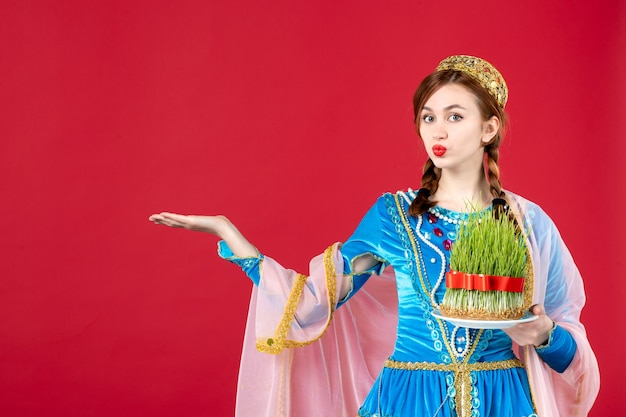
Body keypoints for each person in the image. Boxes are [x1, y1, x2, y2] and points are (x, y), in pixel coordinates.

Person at [149, 55, 600, 417]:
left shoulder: (529, 223)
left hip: (506, 400)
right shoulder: (393, 216)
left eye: (455, 116)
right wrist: (235, 240)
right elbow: (313, 305)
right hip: (409, 399)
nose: (437, 131)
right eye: (427, 117)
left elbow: (569, 351)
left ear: (489, 128)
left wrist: (543, 335)